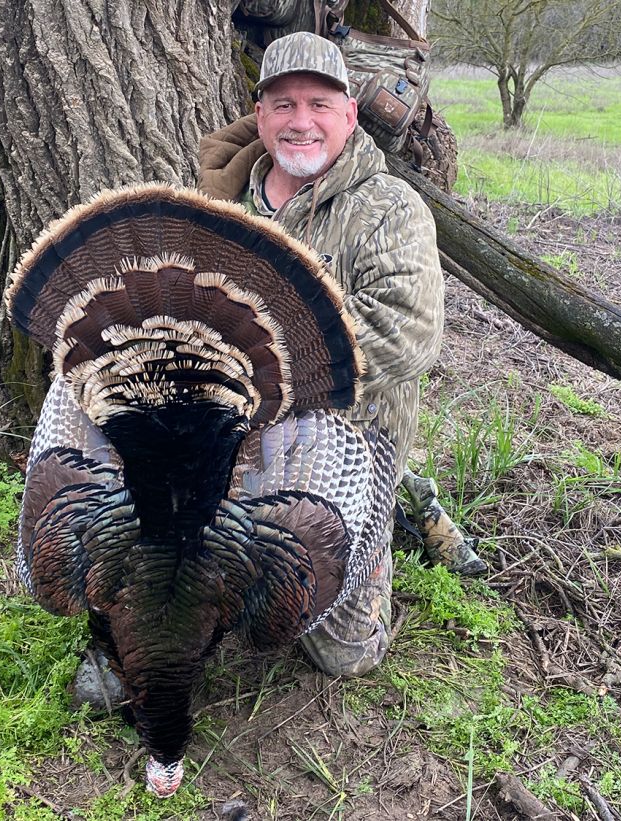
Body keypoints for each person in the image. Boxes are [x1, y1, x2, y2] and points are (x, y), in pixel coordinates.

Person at [195, 31, 483, 676]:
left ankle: (391, 514)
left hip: (350, 436)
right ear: (260, 115)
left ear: (349, 115)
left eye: (320, 104)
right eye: (284, 104)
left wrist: (258, 375)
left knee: (340, 653)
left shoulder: (389, 208)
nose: (302, 122)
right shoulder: (214, 206)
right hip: (225, 428)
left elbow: (404, 331)